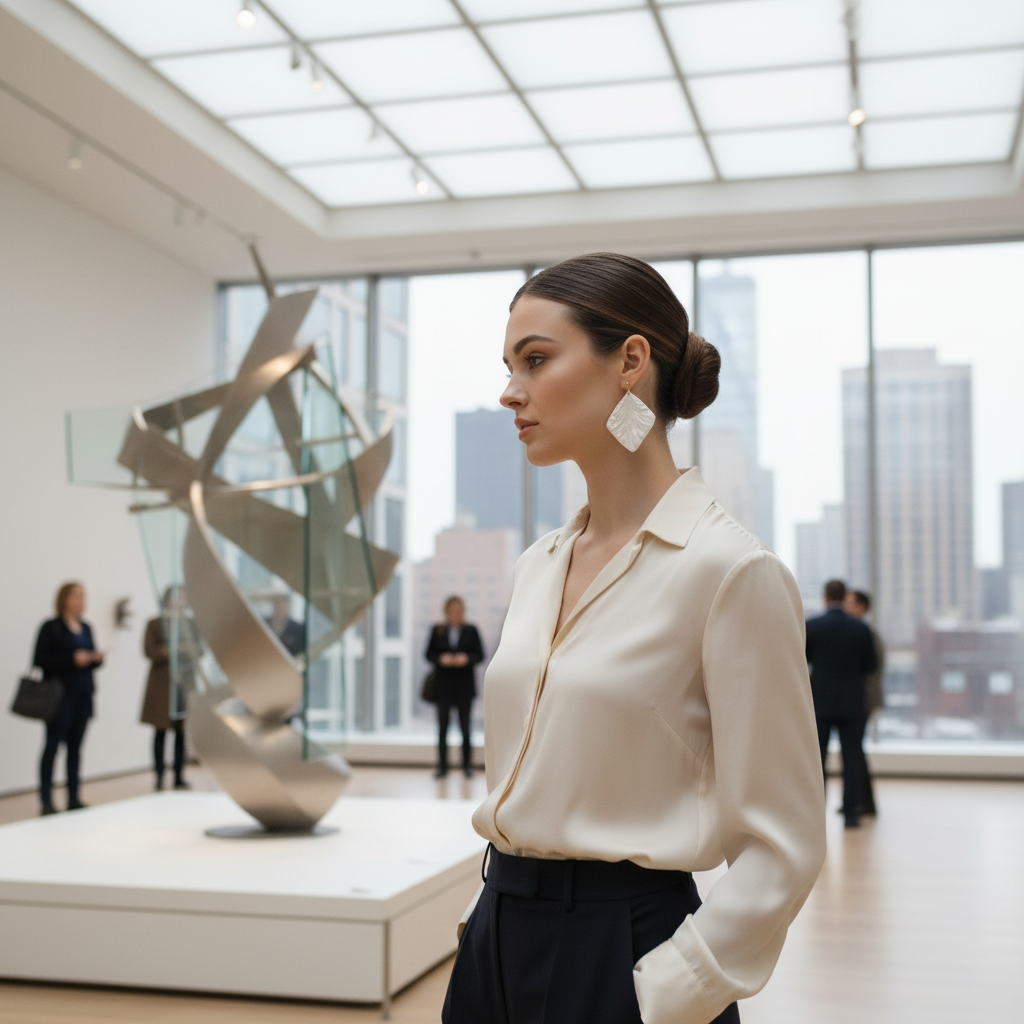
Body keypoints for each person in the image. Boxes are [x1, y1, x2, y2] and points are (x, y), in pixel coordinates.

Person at [443, 253, 826, 1024]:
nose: (509, 390)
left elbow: (784, 844)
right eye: (509, 365)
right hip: (494, 936)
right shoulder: (537, 566)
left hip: (624, 953)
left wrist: (671, 989)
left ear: (630, 361)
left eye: (536, 360)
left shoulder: (729, 571)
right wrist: (487, 932)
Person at [805, 579, 879, 829]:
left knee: (817, 761)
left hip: (820, 702)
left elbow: (802, 659)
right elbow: (871, 666)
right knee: (852, 758)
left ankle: (816, 816)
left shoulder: (812, 626)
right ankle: (851, 815)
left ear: (825, 597)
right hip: (852, 703)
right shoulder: (860, 629)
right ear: (844, 596)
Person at [33, 582, 104, 815]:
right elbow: (40, 659)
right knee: (52, 747)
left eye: (82, 595)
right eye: (75, 595)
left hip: (83, 695)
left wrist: (95, 659)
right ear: (63, 598)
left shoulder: (86, 628)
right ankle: (46, 800)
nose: (80, 599)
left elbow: (89, 661)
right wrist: (72, 658)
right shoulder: (51, 627)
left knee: (75, 748)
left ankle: (73, 797)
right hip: (59, 697)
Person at [140, 586, 198, 791]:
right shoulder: (155, 624)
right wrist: (171, 650)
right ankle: (158, 775)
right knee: (160, 732)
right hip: (161, 685)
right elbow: (150, 650)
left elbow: (198, 649)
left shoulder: (190, 624)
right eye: (174, 598)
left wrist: (176, 649)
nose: (178, 601)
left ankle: (179, 775)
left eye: (182, 597)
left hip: (184, 684)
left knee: (181, 732)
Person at [425, 596, 484, 779]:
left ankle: (467, 766)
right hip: (443, 687)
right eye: (452, 609)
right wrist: (441, 659)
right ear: (446, 611)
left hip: (464, 687)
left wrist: (465, 659)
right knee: (442, 728)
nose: (455, 613)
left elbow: (479, 654)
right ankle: (442, 766)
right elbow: (428, 654)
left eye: (458, 609)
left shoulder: (471, 630)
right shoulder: (438, 630)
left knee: (465, 728)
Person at [842, 588, 886, 817]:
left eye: (850, 603)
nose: (845, 607)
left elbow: (871, 670)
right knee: (856, 751)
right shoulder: (859, 632)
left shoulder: (866, 634)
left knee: (854, 751)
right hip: (860, 700)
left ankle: (862, 802)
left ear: (861, 607)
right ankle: (863, 802)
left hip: (863, 700)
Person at [267, 593, 305, 658]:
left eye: (283, 606)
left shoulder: (298, 629)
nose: (280, 610)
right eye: (278, 606)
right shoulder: (264, 624)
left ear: (288, 608)